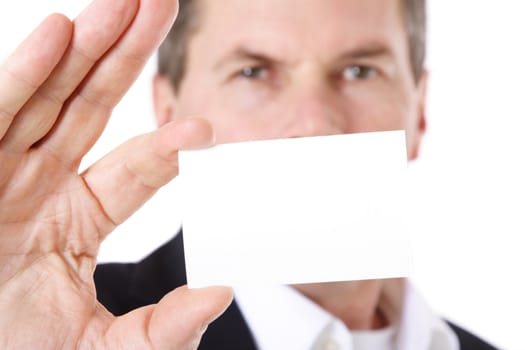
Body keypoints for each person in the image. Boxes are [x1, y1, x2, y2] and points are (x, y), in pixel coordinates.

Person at [0, 0, 496, 349]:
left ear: (421, 109)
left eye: (361, 70)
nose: (313, 123)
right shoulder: (63, 327)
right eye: (253, 72)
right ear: (167, 107)